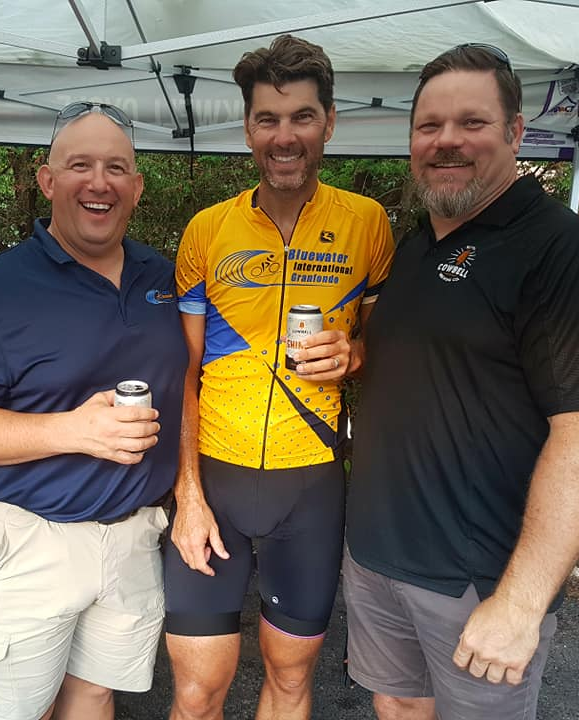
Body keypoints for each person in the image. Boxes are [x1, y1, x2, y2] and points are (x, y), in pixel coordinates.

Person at [343, 43, 579, 720]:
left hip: (479, 582)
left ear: (514, 132)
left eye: (471, 123)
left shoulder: (567, 255)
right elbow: (426, 367)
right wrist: (353, 356)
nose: (447, 141)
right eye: (430, 126)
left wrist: (521, 601)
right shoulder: (421, 243)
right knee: (396, 708)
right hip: (380, 558)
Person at [0, 102, 187, 720]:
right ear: (48, 182)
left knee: (95, 695)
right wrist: (77, 430)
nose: (99, 182)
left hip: (131, 536)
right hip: (27, 542)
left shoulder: (164, 277)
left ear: (136, 187)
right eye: (80, 166)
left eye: (116, 168)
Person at [165, 35, 394, 720]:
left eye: (300, 117)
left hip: (311, 487)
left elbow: (379, 346)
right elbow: (183, 371)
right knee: (198, 689)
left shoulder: (367, 224)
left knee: (291, 682)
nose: (284, 136)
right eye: (268, 119)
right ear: (247, 129)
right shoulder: (208, 230)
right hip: (215, 483)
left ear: (329, 122)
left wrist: (354, 354)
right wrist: (188, 495)